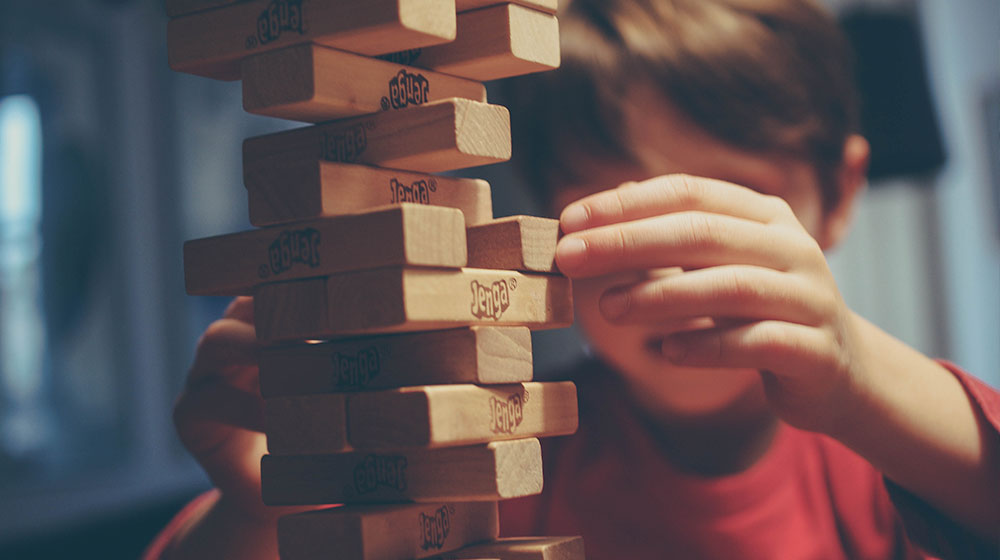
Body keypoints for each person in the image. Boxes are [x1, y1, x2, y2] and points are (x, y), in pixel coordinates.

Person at [145, 0, 1000, 558]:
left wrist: (855, 375)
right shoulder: (499, 454)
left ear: (840, 193)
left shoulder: (892, 460)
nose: (669, 266)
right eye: (612, 208)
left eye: (730, 205)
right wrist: (268, 511)